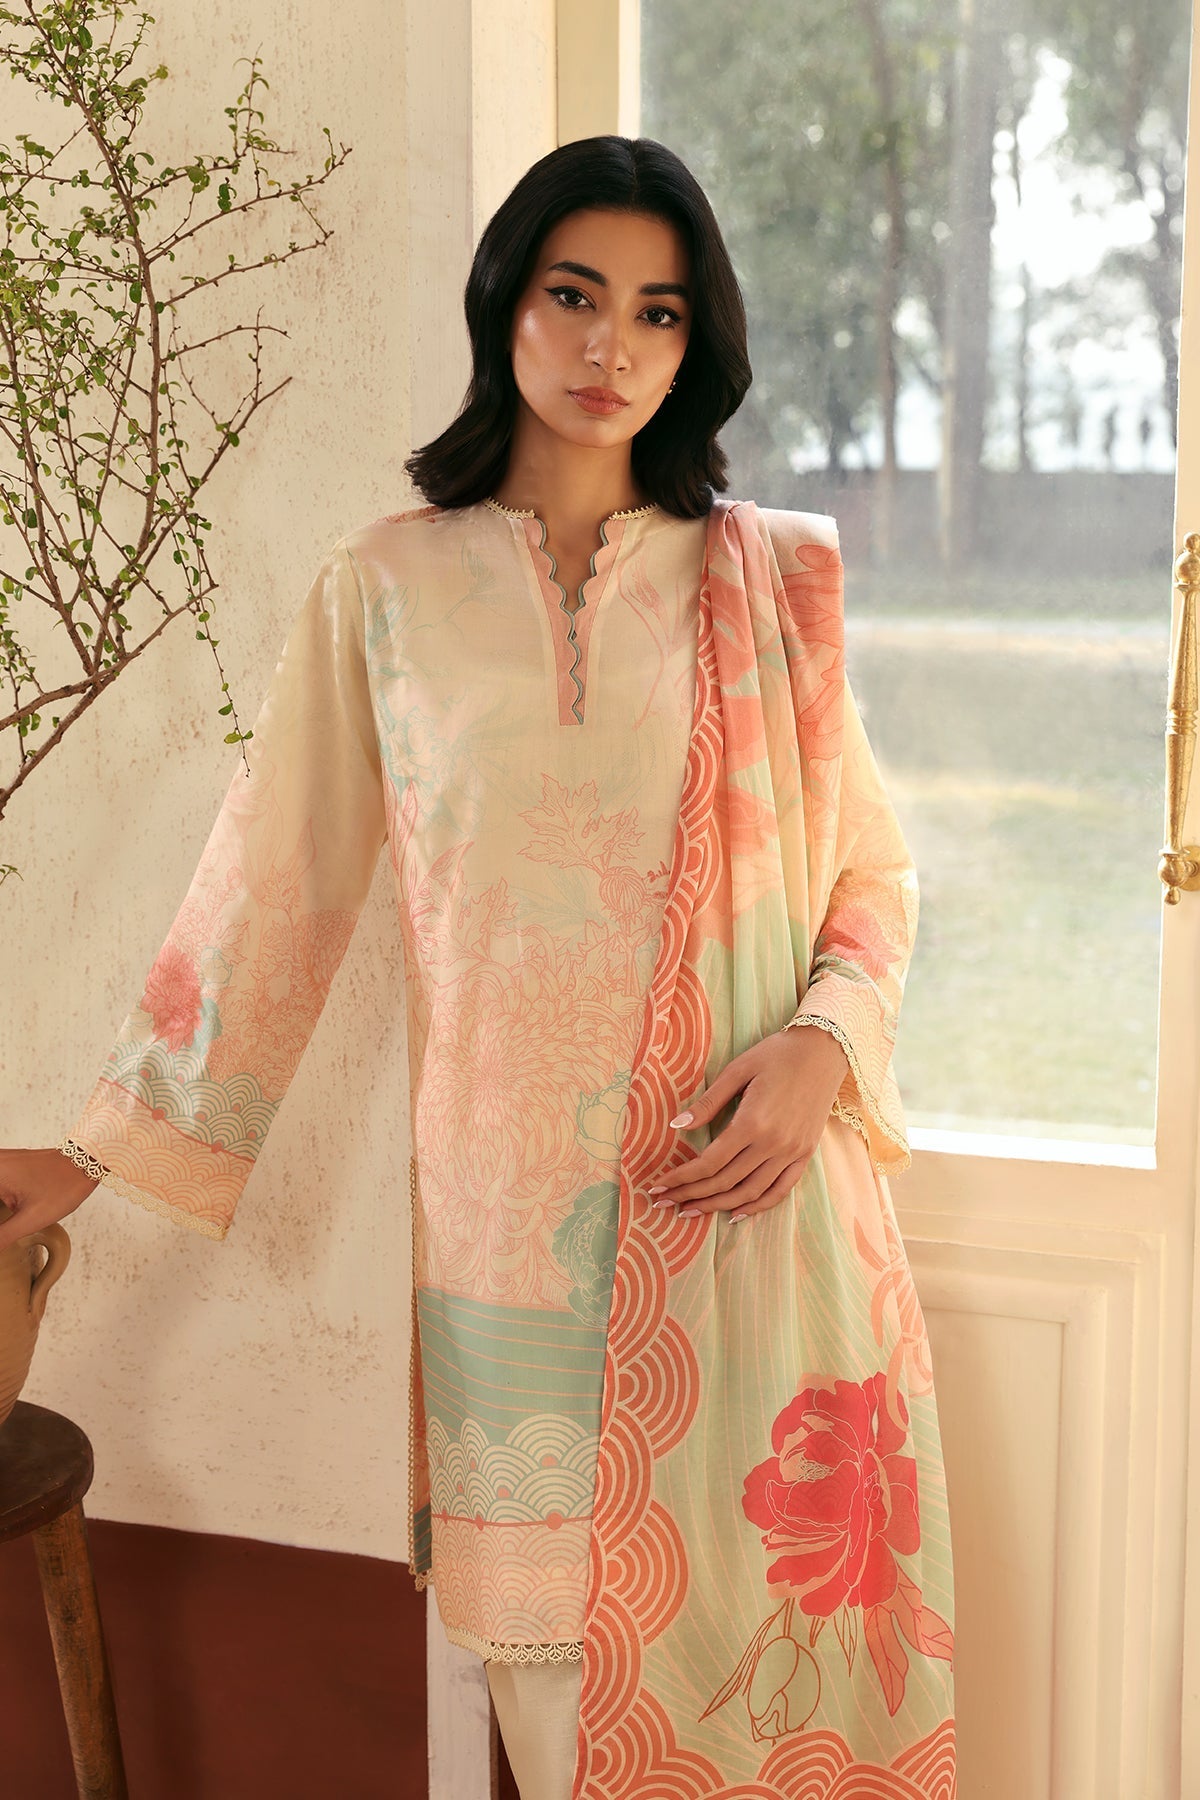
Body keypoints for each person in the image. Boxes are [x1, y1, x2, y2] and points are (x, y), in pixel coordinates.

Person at [0, 136, 956, 1800]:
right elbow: (271, 898)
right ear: (505, 299)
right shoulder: (385, 588)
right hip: (513, 1246)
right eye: (575, 295)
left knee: (780, 1688)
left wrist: (824, 1041)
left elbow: (872, 875)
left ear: (695, 345)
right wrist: (92, 1156)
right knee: (563, 1720)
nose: (610, 348)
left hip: (749, 1223)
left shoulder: (769, 585)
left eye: (657, 313)